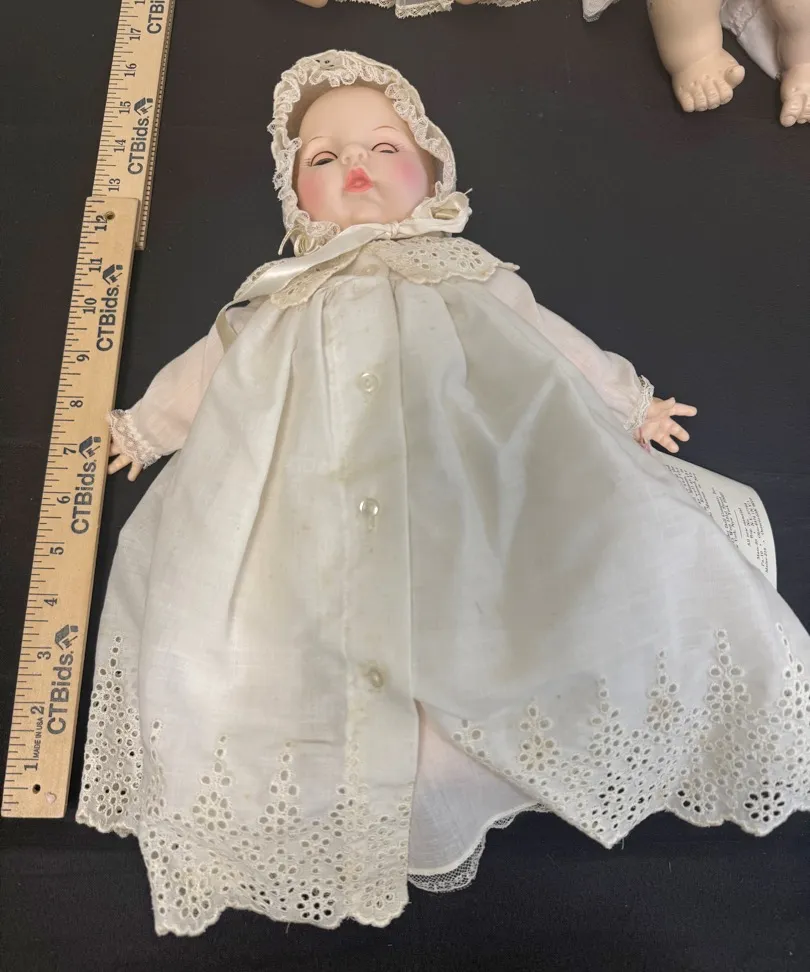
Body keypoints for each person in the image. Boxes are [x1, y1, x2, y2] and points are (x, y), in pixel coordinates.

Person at [77, 50, 810, 937]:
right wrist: (144, 429)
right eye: (322, 157)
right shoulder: (273, 301)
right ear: (292, 193)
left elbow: (554, 341)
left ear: (432, 170)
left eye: (385, 146)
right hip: (304, 493)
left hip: (471, 474)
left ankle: (496, 738)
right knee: (288, 620)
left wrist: (630, 403)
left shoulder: (468, 271)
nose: (355, 164)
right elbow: (206, 371)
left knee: (495, 595)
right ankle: (395, 770)